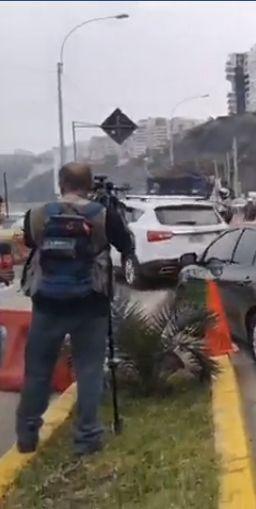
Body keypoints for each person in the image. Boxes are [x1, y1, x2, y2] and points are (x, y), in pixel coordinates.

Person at [16, 163, 134, 455]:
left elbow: (31, 242)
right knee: (89, 370)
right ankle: (87, 438)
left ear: (61, 183)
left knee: (37, 371)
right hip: (90, 303)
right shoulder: (102, 215)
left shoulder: (38, 214)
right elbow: (125, 245)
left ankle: (27, 436)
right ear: (90, 184)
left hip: (47, 303)